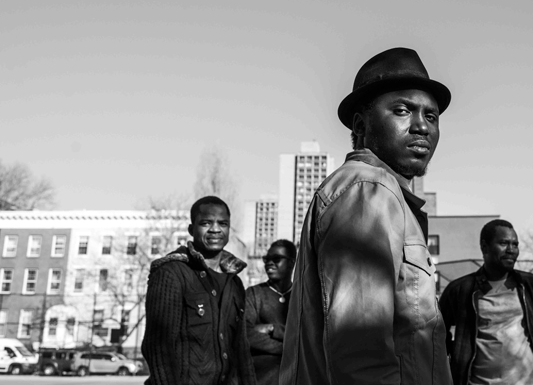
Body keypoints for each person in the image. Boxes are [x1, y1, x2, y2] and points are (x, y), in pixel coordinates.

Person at [279, 47, 453, 385]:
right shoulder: (367, 189)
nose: (421, 126)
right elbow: (361, 354)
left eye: (431, 116)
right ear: (361, 125)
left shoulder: (386, 196)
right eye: (402, 110)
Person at [142, 195, 255, 385]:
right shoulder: (171, 274)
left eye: (223, 223)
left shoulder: (235, 283)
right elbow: (158, 348)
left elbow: (242, 349)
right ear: (191, 229)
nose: (215, 229)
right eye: (206, 223)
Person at [439, 219, 533, 385]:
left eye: (515, 244)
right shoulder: (460, 291)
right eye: (504, 243)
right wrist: (455, 364)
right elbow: (436, 335)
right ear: (485, 247)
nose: (511, 250)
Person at [245, 240, 296, 385]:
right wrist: (289, 349)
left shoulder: (302, 297)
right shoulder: (253, 294)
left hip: (295, 376)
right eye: (266, 259)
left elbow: (307, 335)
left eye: (276, 259)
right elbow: (245, 334)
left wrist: (273, 329)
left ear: (291, 263)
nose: (269, 263)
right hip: (260, 378)